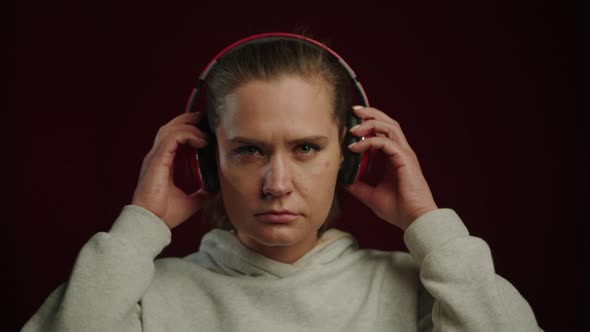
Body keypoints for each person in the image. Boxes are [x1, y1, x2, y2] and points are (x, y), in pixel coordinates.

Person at [22, 33, 542, 331]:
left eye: (307, 148)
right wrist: (137, 229)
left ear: (351, 156)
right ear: (205, 161)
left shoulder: (424, 291)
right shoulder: (145, 296)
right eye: (247, 150)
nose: (276, 183)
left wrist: (431, 227)